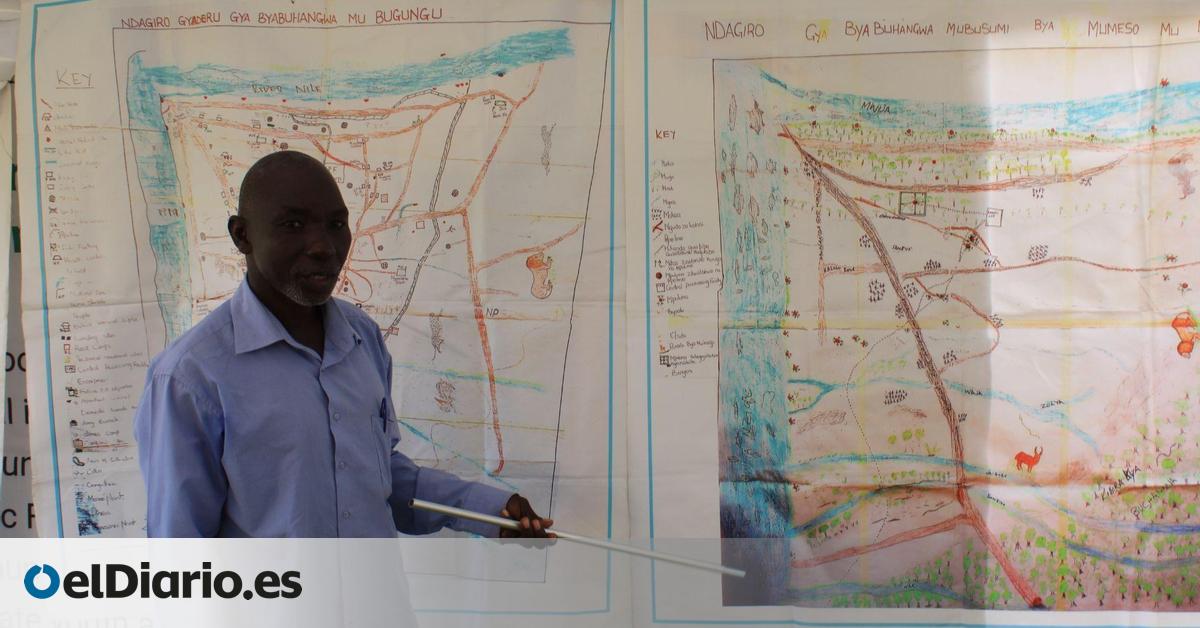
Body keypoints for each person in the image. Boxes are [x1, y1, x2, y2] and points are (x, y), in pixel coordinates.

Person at [134, 150, 553, 538]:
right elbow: (180, 549)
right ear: (242, 236)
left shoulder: (361, 338)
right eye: (293, 225)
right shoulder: (190, 377)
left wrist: (488, 510)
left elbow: (375, 476)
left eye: (336, 224)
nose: (323, 246)